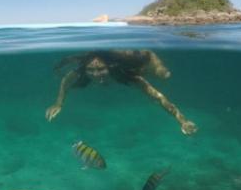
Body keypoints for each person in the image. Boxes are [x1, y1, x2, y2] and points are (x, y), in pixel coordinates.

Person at [45, 50, 198, 135]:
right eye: (90, 70)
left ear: (110, 67)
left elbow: (158, 97)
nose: (95, 74)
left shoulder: (122, 72)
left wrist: (182, 120)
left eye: (101, 69)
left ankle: (158, 69)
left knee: (163, 75)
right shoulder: (81, 70)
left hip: (144, 56)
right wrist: (58, 103)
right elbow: (65, 80)